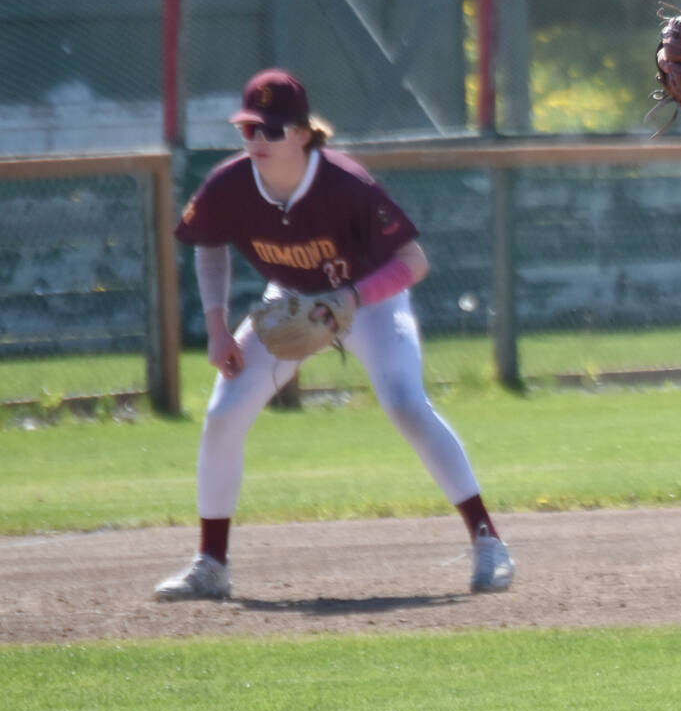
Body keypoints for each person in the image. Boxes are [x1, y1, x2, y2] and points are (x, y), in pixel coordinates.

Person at [152, 69, 513, 600]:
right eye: (248, 129)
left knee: (406, 404)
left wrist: (349, 299)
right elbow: (208, 244)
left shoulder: (347, 185)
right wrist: (217, 327)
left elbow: (413, 261)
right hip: (293, 303)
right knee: (225, 414)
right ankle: (211, 563)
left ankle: (489, 541)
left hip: (368, 300)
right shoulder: (229, 184)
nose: (256, 141)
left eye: (270, 131)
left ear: (301, 133)